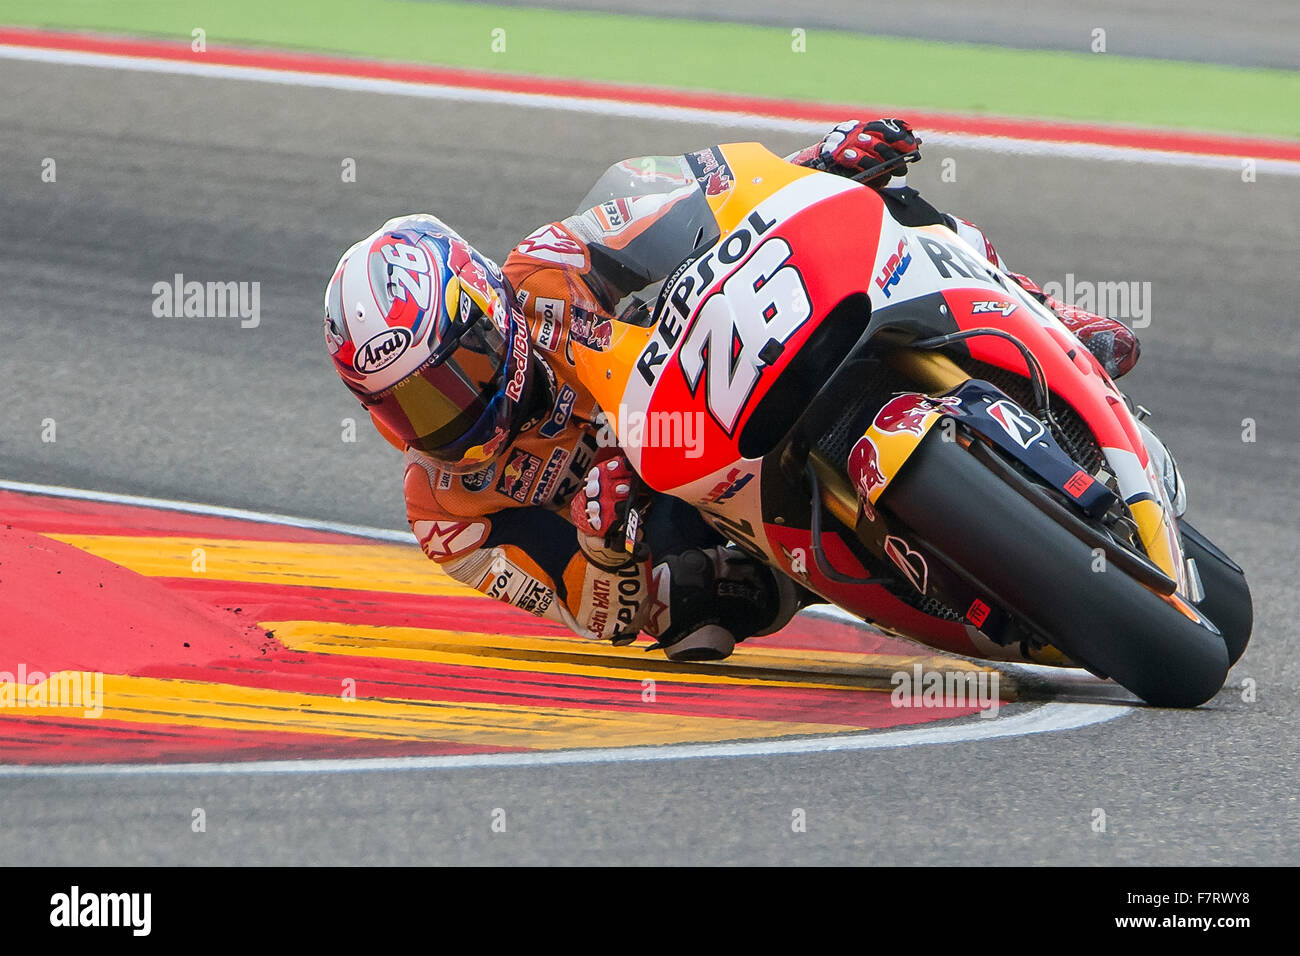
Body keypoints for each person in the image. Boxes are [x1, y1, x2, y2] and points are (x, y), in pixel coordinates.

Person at [321, 119, 1140, 661]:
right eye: (409, 405)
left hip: (733, 356)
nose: (448, 410)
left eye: (449, 375)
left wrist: (815, 165)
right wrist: (606, 548)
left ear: (484, 307)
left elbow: (708, 198)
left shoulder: (549, 266)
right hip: (685, 507)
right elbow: (598, 618)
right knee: (688, 620)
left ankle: (1037, 306)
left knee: (873, 195)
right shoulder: (445, 514)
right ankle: (887, 564)